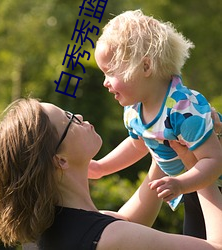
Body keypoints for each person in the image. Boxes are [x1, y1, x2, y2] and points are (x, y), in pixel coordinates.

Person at [0, 98, 222, 250]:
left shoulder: (45, 234)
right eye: (69, 120)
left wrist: (162, 137)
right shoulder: (110, 238)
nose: (78, 116)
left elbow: (129, 221)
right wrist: (198, 165)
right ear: (60, 160)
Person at [91, 9, 222, 238]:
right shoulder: (134, 110)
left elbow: (214, 160)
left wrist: (181, 184)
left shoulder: (183, 109)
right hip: (192, 188)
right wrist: (102, 167)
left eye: (110, 72)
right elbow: (138, 145)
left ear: (145, 67)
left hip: (211, 185)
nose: (105, 82)